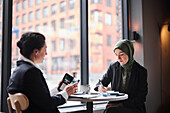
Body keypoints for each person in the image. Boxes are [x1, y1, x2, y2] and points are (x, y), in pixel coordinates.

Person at [7, 32, 78, 113]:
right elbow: (48, 104)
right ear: (36, 52)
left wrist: (57, 90)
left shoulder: (18, 71)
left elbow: (39, 99)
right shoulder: (32, 72)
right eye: (45, 49)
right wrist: (66, 93)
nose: (46, 53)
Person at [94, 40, 148, 113]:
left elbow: (140, 98)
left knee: (110, 111)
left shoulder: (141, 71)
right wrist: (100, 87)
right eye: (116, 55)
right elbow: (101, 82)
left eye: (121, 54)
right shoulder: (113, 67)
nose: (118, 58)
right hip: (115, 106)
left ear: (129, 53)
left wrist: (120, 104)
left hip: (134, 108)